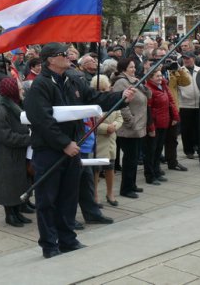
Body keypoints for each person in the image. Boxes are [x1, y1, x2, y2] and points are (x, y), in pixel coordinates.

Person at [25, 43, 135, 258]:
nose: (68, 56)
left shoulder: (73, 80)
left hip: (72, 149)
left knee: (68, 196)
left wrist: (120, 98)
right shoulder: (40, 85)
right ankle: (49, 244)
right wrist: (64, 143)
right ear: (50, 59)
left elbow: (94, 99)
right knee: (47, 200)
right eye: (63, 54)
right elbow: (41, 120)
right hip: (50, 150)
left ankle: (67, 239)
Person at [0, 77, 32, 227]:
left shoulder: (15, 105)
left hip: (18, 153)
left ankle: (17, 212)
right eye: (19, 88)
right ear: (12, 91)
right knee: (9, 185)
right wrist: (27, 139)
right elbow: (5, 135)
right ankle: (10, 215)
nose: (22, 90)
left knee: (19, 184)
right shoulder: (2, 110)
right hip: (8, 155)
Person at [111, 58, 151, 199]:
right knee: (129, 159)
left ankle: (132, 184)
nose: (133, 69)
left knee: (134, 158)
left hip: (139, 126)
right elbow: (121, 104)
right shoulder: (121, 82)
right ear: (123, 69)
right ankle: (126, 188)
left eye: (134, 67)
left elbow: (148, 96)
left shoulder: (134, 80)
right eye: (131, 67)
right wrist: (130, 121)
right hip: (129, 128)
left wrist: (141, 84)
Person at [90, 74, 122, 207]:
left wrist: (114, 126)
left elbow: (120, 117)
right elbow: (90, 123)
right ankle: (95, 195)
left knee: (110, 168)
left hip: (111, 140)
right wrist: (104, 128)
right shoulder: (92, 104)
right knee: (96, 170)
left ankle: (110, 193)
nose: (104, 92)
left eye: (105, 89)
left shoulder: (112, 101)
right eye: (101, 90)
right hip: (98, 141)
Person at [145, 69, 179, 185]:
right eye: (157, 76)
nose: (160, 78)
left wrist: (174, 117)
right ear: (150, 78)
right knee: (151, 151)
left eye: (160, 76)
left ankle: (157, 171)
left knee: (158, 149)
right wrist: (151, 127)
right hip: (155, 124)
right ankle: (150, 175)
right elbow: (148, 110)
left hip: (163, 122)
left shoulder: (162, 86)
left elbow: (170, 102)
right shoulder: (149, 89)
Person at [179, 52, 200, 160]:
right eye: (184, 59)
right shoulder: (179, 71)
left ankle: (199, 147)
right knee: (186, 129)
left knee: (199, 128)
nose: (186, 60)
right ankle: (188, 150)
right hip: (185, 104)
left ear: (193, 58)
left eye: (188, 58)